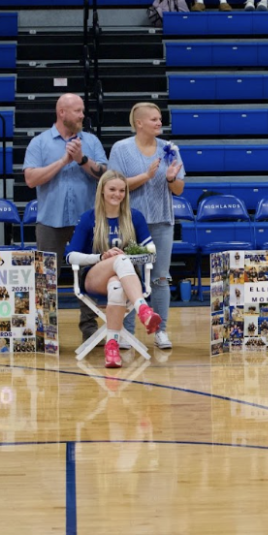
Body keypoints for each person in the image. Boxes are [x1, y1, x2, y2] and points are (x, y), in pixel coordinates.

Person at [23, 93, 108, 342]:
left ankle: (90, 330)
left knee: (90, 276)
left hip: (87, 221)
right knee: (45, 279)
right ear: (62, 112)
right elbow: (30, 179)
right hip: (50, 222)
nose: (82, 115)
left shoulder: (91, 141)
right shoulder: (39, 143)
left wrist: (81, 159)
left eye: (82, 110)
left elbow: (105, 175)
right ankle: (45, 332)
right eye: (78, 111)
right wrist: (63, 161)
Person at [65, 170, 162, 368]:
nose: (117, 194)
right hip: (94, 278)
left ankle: (112, 348)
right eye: (112, 189)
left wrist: (130, 255)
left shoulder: (134, 217)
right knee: (118, 258)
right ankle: (143, 308)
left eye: (121, 190)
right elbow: (70, 256)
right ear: (102, 191)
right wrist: (101, 256)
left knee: (116, 286)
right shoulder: (89, 218)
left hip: (125, 280)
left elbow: (151, 252)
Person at [107, 102, 185, 350]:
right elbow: (113, 186)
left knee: (161, 278)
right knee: (129, 277)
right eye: (154, 119)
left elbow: (179, 189)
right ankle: (126, 333)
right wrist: (146, 176)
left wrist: (171, 178)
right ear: (139, 123)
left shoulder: (170, 149)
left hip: (162, 221)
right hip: (129, 224)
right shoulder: (121, 149)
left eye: (160, 118)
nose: (159, 122)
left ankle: (161, 331)